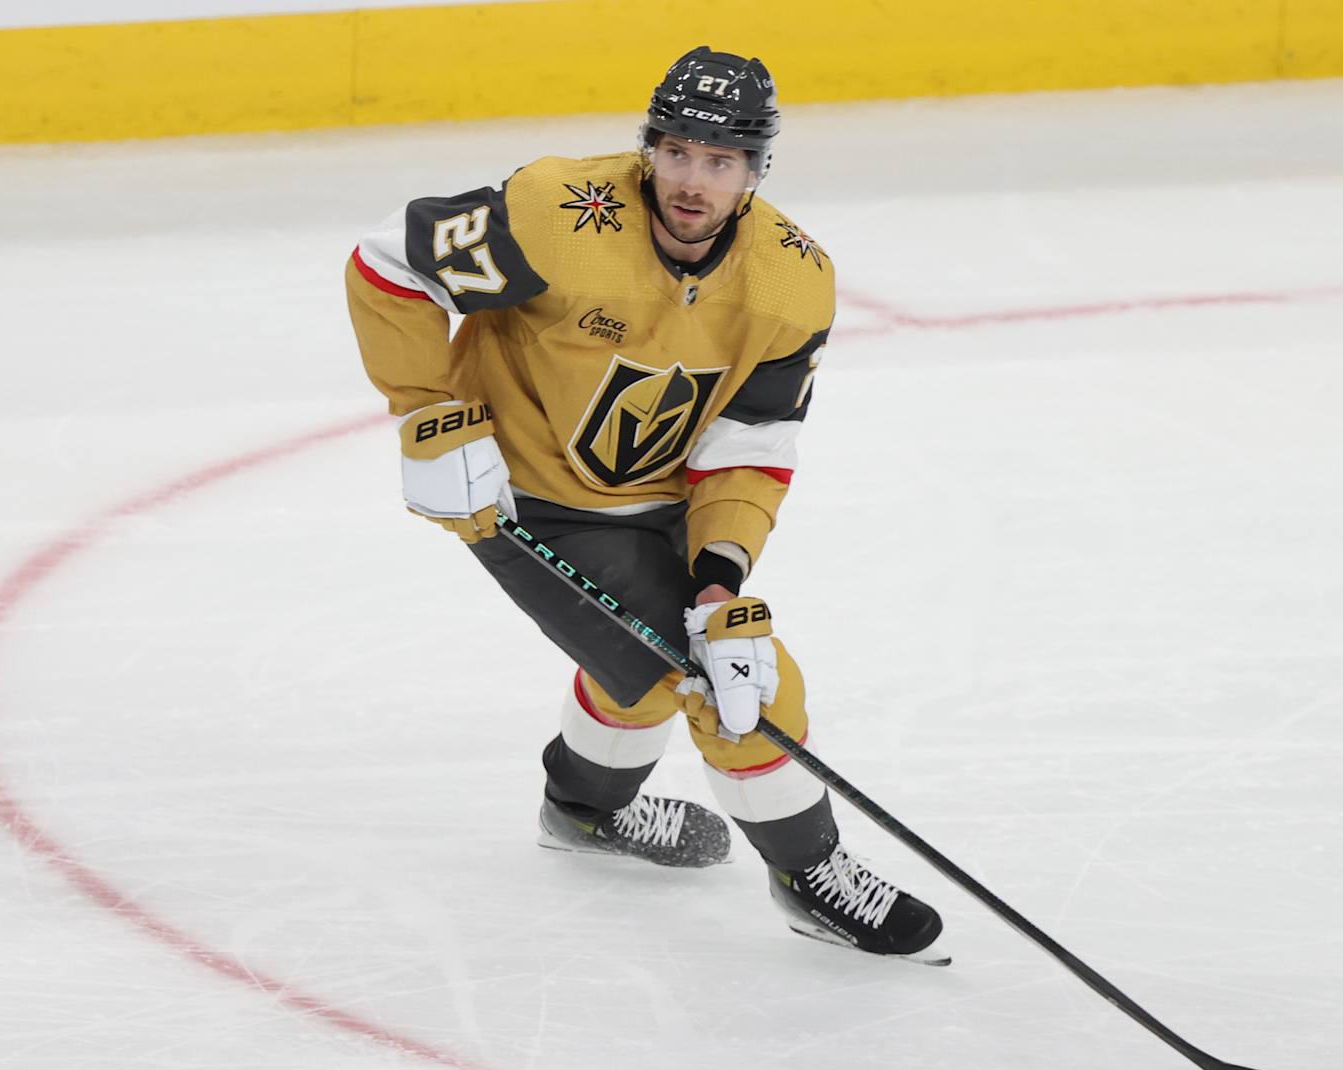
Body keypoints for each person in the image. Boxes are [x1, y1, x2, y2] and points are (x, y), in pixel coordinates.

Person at [344, 47, 944, 962]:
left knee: (670, 652)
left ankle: (583, 811)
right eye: (676, 152)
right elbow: (391, 262)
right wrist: (431, 414)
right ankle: (810, 871)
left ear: (756, 170)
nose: (692, 181)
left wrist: (717, 579)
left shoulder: (791, 282)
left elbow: (751, 441)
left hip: (662, 499)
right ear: (649, 148)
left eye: (721, 160)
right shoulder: (557, 216)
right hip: (525, 498)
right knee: (733, 688)